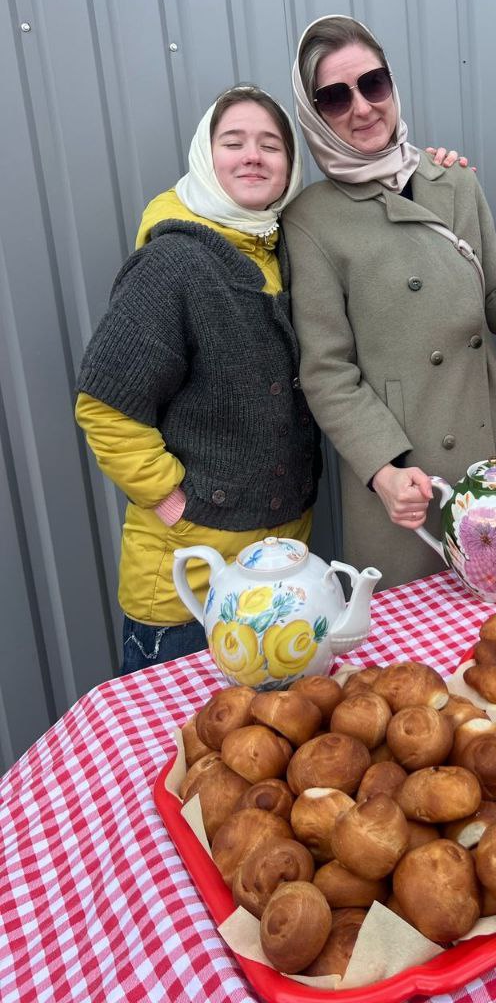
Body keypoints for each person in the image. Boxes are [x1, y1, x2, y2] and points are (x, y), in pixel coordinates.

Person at [282, 14, 496, 587]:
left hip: (491, 457)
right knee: (419, 636)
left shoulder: (454, 181)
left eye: (373, 84)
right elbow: (327, 371)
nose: (363, 108)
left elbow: (495, 298)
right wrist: (384, 470)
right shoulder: (311, 220)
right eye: (335, 97)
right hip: (407, 478)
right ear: (313, 115)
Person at [75, 86, 320, 673]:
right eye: (233, 142)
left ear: (291, 166)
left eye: (271, 144)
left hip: (278, 577)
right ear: (205, 158)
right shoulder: (174, 263)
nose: (253, 155)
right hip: (189, 588)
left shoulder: (282, 252)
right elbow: (105, 405)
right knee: (188, 734)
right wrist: (168, 499)